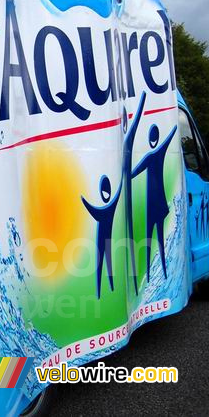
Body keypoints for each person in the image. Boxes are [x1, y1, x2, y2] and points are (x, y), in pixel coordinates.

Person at [132, 123, 178, 280]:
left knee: (150, 240)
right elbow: (169, 137)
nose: (152, 140)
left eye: (152, 137)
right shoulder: (157, 153)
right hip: (159, 203)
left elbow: (133, 172)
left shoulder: (150, 156)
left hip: (151, 205)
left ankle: (151, 274)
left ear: (153, 138)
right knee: (158, 239)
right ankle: (161, 271)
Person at [82, 175, 122, 299]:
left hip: (102, 239)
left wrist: (83, 200)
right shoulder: (112, 205)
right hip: (108, 238)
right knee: (108, 265)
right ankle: (110, 288)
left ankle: (100, 292)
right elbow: (119, 191)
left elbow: (94, 211)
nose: (106, 195)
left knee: (101, 267)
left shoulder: (106, 209)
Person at [122, 92, 147, 293]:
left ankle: (134, 286)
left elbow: (136, 121)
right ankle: (136, 286)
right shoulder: (126, 141)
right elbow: (136, 121)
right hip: (127, 199)